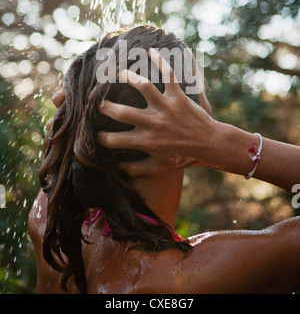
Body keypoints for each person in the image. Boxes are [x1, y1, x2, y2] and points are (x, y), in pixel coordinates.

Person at [28, 24, 300, 294]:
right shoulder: (198, 276)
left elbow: (61, 166)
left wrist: (71, 130)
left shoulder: (54, 235)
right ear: (186, 115)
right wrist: (225, 145)